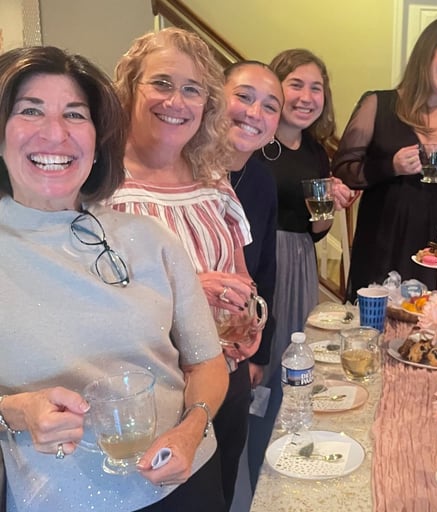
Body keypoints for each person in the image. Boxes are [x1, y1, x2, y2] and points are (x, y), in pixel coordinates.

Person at [0, 46, 228, 512]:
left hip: (186, 481)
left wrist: (191, 431)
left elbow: (207, 363)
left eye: (74, 114)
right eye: (30, 111)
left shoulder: (149, 238)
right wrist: (15, 411)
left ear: (97, 137)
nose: (55, 133)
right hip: (59, 501)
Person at [108, 28, 260, 510]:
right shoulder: (99, 187)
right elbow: (93, 299)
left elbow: (241, 274)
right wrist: (192, 289)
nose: (176, 102)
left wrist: (248, 313)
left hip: (224, 380)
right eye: (161, 83)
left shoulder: (214, 182)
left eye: (192, 89)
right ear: (128, 90)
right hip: (149, 393)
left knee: (218, 495)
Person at [250, 48, 353, 488]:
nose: (307, 97)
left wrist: (330, 201)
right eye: (296, 84)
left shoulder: (314, 150)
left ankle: (289, 446)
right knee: (262, 358)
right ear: (277, 87)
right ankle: (255, 456)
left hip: (300, 259)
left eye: (316, 88)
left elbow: (317, 230)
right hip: (261, 257)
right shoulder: (257, 141)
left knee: (296, 354)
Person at [333, 16, 437, 303]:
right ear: (426, 52)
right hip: (386, 243)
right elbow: (343, 170)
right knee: (380, 323)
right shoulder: (378, 104)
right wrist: (390, 166)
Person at [221, 60, 281, 492]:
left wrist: (260, 353)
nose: (254, 113)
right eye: (243, 96)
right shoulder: (182, 170)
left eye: (270, 106)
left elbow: (265, 270)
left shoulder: (261, 180)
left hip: (236, 354)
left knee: (225, 470)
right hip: (176, 356)